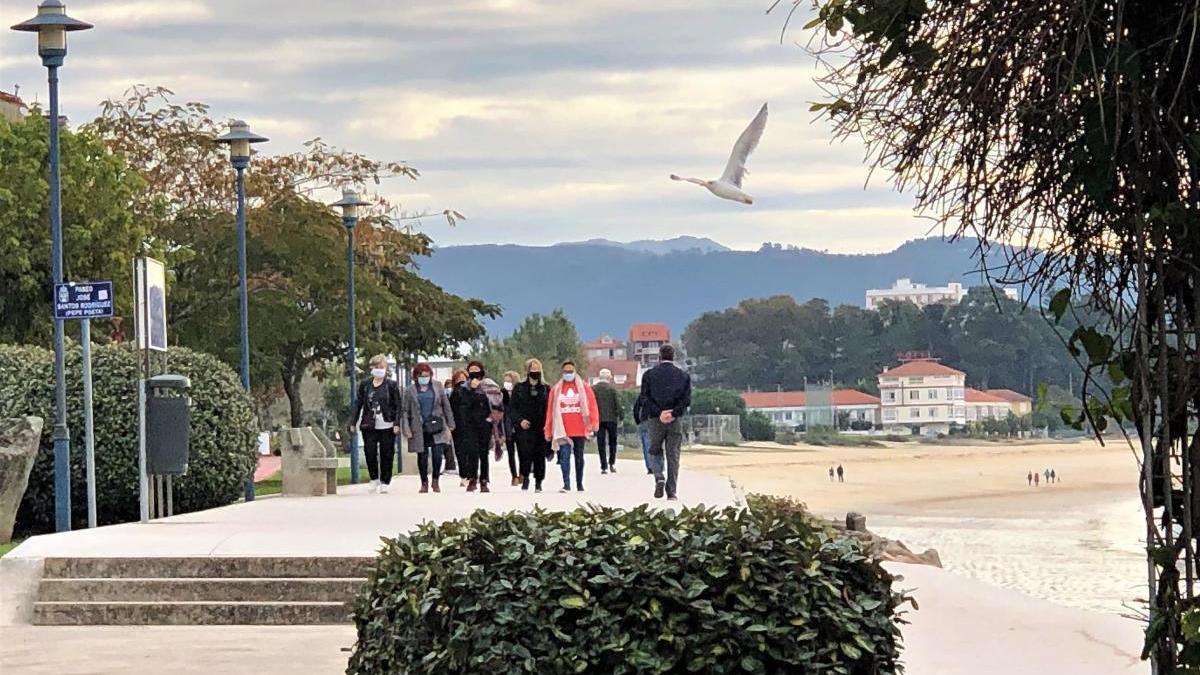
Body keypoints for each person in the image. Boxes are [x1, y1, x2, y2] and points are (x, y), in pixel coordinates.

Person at [640, 344, 692, 500]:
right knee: (673, 454)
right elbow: (686, 400)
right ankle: (672, 491)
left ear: (659, 356)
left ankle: (658, 476)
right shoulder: (683, 376)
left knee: (654, 449)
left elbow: (644, 398)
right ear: (673, 356)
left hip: (655, 419)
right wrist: (674, 412)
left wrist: (659, 412)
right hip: (675, 420)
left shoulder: (649, 375)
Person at [545, 359, 599, 492]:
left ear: (575, 372)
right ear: (562, 372)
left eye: (570, 371)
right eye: (565, 372)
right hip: (562, 428)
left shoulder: (585, 388)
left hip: (579, 428)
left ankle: (579, 483)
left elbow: (592, 406)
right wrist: (548, 429)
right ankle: (566, 483)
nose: (568, 374)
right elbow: (550, 411)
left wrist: (594, 423)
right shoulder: (556, 390)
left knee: (579, 457)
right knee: (564, 456)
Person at [350, 354, 402, 494]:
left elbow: (398, 406)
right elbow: (358, 404)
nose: (379, 369)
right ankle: (374, 478)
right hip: (369, 424)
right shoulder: (365, 385)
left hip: (387, 424)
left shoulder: (391, 385)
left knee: (387, 453)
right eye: (376, 367)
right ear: (371, 368)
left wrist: (396, 423)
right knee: (370, 452)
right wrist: (353, 422)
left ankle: (385, 480)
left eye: (382, 367)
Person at [401, 363, 455, 493]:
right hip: (419, 427)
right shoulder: (410, 391)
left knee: (437, 454)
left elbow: (446, 406)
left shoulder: (437, 387)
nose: (424, 378)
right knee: (422, 456)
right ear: (416, 376)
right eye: (421, 375)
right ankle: (424, 482)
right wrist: (406, 428)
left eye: (427, 375)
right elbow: (405, 411)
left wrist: (450, 423)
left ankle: (435, 480)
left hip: (436, 426)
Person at [450, 363, 493, 492]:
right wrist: (473, 391)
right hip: (470, 425)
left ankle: (484, 479)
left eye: (477, 370)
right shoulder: (464, 388)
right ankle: (473, 478)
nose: (474, 373)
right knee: (472, 452)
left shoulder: (488, 386)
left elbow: (494, 403)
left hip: (485, 423)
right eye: (471, 371)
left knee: (484, 453)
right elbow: (463, 405)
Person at [512, 358, 551, 491]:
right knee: (525, 453)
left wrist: (549, 425)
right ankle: (525, 477)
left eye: (537, 369)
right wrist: (519, 421)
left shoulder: (546, 388)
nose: (535, 372)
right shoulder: (519, 388)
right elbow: (513, 408)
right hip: (524, 427)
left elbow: (549, 408)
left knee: (540, 455)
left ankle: (539, 481)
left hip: (541, 427)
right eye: (532, 369)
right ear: (527, 371)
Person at [592, 368, 623, 474]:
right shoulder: (612, 389)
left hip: (599, 419)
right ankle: (612, 463)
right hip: (611, 419)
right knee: (612, 442)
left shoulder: (594, 389)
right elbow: (617, 404)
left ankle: (603, 465)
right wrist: (621, 416)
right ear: (609, 377)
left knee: (601, 443)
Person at [502, 371, 522, 486]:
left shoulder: (520, 393)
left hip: (518, 426)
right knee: (510, 453)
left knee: (522, 452)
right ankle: (514, 476)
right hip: (507, 426)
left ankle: (522, 473)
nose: (507, 383)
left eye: (509, 381)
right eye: (505, 381)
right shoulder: (502, 393)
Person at [633, 393, 653, 474]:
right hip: (656, 420)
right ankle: (657, 464)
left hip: (644, 420)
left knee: (646, 443)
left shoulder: (642, 395)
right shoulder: (658, 391)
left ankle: (649, 466)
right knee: (657, 443)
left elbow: (636, 409)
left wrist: (638, 421)